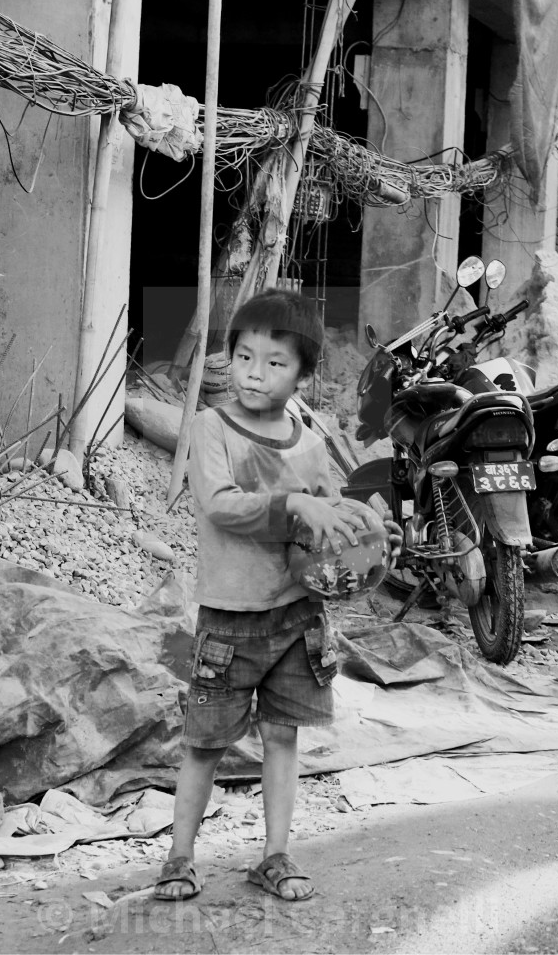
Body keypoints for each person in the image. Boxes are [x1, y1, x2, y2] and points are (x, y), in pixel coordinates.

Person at [153, 289, 399, 904]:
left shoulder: (308, 442)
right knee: (205, 745)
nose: (254, 373)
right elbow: (220, 505)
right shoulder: (212, 429)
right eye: (243, 357)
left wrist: (369, 530)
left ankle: (275, 856)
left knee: (283, 739)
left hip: (298, 619)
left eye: (274, 362)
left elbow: (333, 514)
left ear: (303, 374)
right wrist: (295, 505)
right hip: (229, 622)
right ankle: (179, 858)